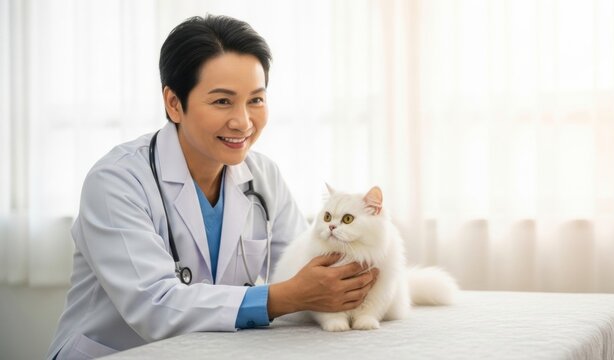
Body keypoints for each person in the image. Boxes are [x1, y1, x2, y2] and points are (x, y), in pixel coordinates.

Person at [47, 15, 378, 359]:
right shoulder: (117, 181)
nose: (243, 122)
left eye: (256, 100)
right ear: (174, 103)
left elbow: (305, 268)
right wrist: (284, 297)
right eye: (222, 101)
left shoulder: (264, 177)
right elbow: (154, 306)